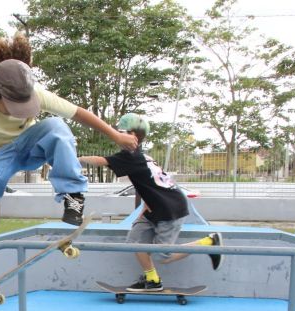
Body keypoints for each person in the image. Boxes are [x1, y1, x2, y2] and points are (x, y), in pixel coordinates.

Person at [0, 33, 138, 296]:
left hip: (30, 145)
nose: (21, 111)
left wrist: (116, 135)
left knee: (57, 127)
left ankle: (73, 196)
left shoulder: (36, 93)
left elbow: (80, 113)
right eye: (14, 107)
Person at [78, 113, 223, 292]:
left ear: (133, 136)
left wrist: (77, 160)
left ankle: (209, 243)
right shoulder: (141, 156)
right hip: (153, 208)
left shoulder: (131, 156)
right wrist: (144, 209)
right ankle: (152, 279)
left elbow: (101, 161)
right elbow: (150, 185)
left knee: (164, 255)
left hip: (170, 210)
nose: (118, 136)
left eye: (122, 133)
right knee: (134, 242)